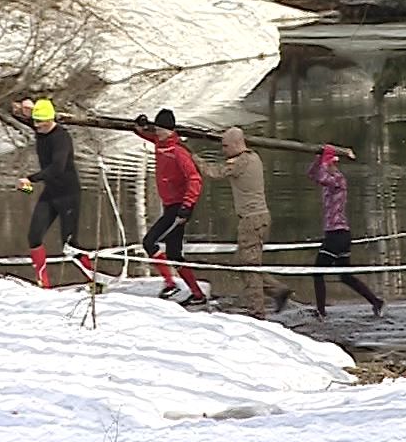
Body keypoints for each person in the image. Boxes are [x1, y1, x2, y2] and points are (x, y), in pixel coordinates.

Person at [193, 127, 292, 319]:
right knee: (242, 263)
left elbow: (214, 172)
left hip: (251, 220)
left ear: (238, 144)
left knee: (249, 266)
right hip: (259, 218)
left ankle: (257, 312)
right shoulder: (254, 157)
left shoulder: (241, 162)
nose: (223, 150)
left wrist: (194, 159)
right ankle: (277, 290)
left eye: (225, 146)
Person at [12, 97, 95, 288]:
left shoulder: (61, 138)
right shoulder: (40, 127)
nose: (37, 128)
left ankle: (95, 280)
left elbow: (57, 168)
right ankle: (44, 283)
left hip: (69, 195)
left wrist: (30, 179)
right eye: (35, 124)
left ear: (50, 121)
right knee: (34, 236)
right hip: (51, 193)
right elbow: (28, 119)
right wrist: (21, 110)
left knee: (70, 245)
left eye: (40, 124)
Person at [134, 108, 207, 303]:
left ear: (170, 130)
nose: (157, 132)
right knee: (174, 253)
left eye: (160, 129)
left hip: (179, 208)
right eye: (156, 129)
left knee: (149, 242)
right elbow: (146, 134)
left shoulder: (178, 151)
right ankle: (197, 294)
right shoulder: (161, 143)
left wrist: (188, 205)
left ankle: (170, 284)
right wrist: (140, 127)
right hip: (169, 206)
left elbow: (195, 179)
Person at [307, 144, 384, 319]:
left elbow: (321, 177)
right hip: (337, 234)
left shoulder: (338, 181)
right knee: (345, 276)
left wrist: (324, 162)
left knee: (317, 273)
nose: (330, 166)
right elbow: (312, 174)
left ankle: (321, 312)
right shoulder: (328, 181)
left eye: (332, 163)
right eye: (329, 164)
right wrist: (318, 158)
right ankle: (376, 301)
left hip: (337, 235)